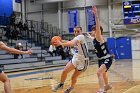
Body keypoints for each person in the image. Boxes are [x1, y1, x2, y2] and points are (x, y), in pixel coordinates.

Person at [52, 26, 89, 93]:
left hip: (83, 60)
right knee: (65, 71)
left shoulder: (81, 37)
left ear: (81, 32)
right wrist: (60, 40)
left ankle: (71, 88)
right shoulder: (76, 38)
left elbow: (71, 43)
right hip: (76, 57)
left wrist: (61, 43)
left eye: (78, 31)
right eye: (75, 31)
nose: (76, 33)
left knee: (73, 77)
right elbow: (70, 42)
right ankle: (61, 84)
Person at [87, 6, 112, 93]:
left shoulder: (99, 36)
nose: (92, 31)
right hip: (101, 60)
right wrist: (89, 36)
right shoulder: (94, 39)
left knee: (99, 73)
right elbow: (91, 37)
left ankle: (101, 89)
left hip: (107, 58)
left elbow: (98, 27)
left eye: (93, 30)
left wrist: (96, 15)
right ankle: (107, 85)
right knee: (103, 73)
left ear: (98, 32)